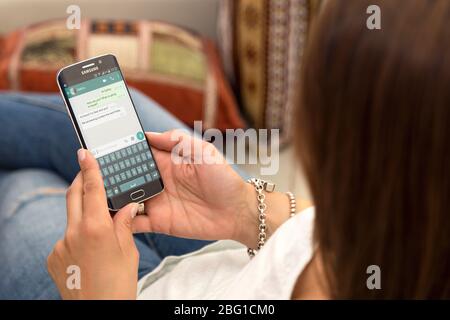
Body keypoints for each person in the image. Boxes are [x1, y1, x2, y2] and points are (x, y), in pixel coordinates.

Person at [2, 0, 450, 299]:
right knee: (126, 111)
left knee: (26, 188)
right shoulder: (409, 236)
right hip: (231, 249)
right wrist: (248, 210)